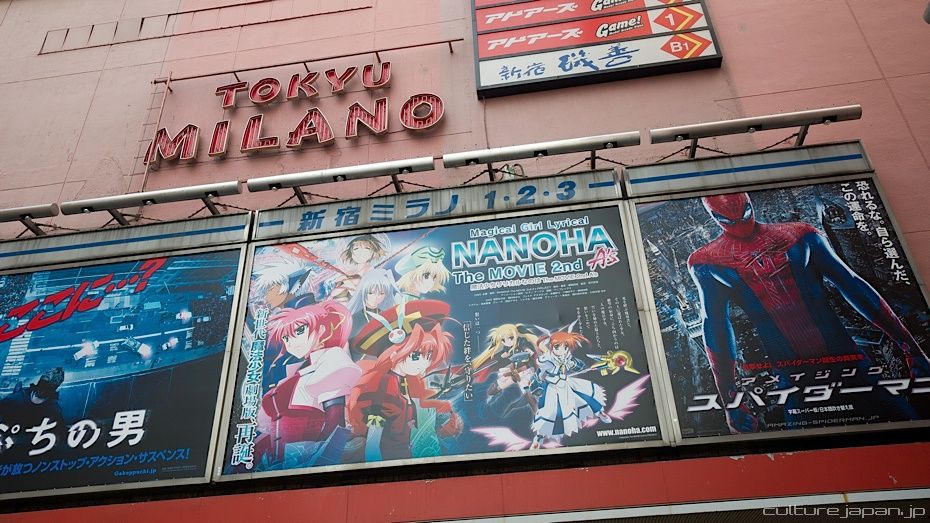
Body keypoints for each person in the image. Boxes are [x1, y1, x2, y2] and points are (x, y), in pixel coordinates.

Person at [688, 192, 930, 433]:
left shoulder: (800, 235)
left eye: (744, 214)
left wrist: (911, 348)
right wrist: (730, 401)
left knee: (912, 431)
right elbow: (716, 327)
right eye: (729, 220)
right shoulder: (707, 262)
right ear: (714, 217)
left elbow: (853, 286)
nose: (741, 224)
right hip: (795, 378)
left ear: (750, 204)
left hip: (848, 364)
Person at [347, 300, 461, 461]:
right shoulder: (383, 387)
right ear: (394, 353)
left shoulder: (407, 382)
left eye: (429, 356)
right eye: (416, 356)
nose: (424, 362)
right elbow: (373, 441)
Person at [253, 301, 361, 468]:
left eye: (299, 331)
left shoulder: (333, 360)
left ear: (322, 330)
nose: (291, 342)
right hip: (278, 464)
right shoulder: (300, 370)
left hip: (306, 462)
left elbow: (335, 424)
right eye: (286, 338)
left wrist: (318, 463)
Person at [531, 331, 610, 449]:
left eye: (565, 347)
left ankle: (600, 413)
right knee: (550, 412)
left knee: (585, 397)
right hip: (552, 387)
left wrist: (573, 364)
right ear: (552, 346)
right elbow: (538, 374)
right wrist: (536, 383)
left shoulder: (567, 357)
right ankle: (539, 436)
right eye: (557, 347)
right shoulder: (546, 359)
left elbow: (580, 367)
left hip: (565, 384)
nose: (562, 350)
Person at [0, 368, 66, 458]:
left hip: (23, 448)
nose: (42, 390)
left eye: (47, 386)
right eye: (43, 383)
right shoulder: (18, 397)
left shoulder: (54, 410)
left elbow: (58, 437)